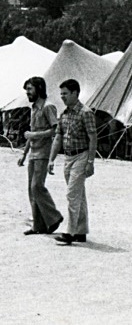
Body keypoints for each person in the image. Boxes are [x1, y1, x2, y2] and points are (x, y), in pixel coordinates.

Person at [49, 79, 97, 245]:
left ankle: (70, 232)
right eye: (61, 94)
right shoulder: (65, 114)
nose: (62, 97)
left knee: (72, 194)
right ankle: (81, 231)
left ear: (76, 93)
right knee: (79, 194)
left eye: (65, 94)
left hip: (81, 156)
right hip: (68, 157)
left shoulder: (86, 113)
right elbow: (58, 137)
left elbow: (92, 138)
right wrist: (52, 159)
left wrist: (90, 161)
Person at [17, 77, 63, 236]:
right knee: (32, 189)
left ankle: (54, 217)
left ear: (39, 88)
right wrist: (24, 154)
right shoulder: (34, 108)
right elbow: (31, 134)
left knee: (37, 186)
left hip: (43, 154)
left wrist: (33, 135)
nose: (27, 93)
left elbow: (55, 130)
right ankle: (38, 225)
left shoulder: (48, 107)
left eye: (29, 89)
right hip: (33, 154)